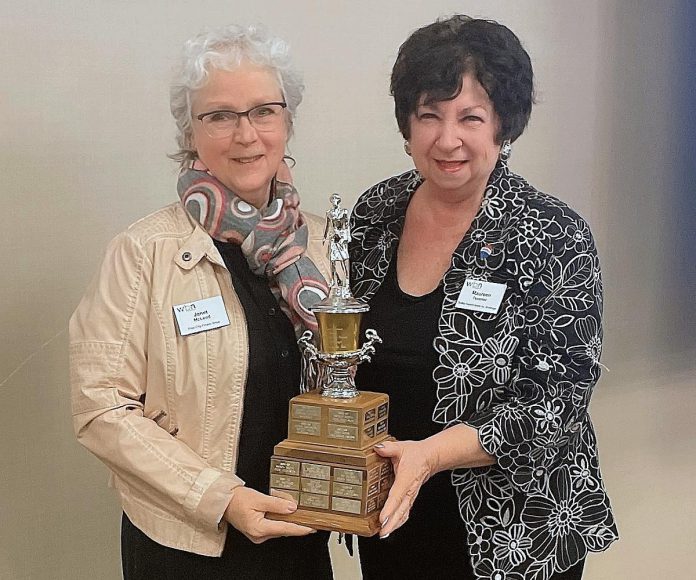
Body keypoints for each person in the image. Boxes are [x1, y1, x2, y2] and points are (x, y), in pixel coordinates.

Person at [350, 15, 618, 580]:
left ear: (503, 126)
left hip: (513, 533)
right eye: (429, 116)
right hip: (393, 517)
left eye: (470, 117)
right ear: (407, 125)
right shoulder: (375, 214)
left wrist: (430, 456)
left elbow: (558, 403)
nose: (448, 140)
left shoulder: (551, 234)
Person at [69, 24, 333, 580]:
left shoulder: (325, 247)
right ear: (191, 132)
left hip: (300, 537)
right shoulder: (142, 253)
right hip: (188, 547)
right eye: (219, 115)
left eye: (264, 110)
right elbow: (100, 407)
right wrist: (222, 498)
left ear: (288, 121)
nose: (245, 135)